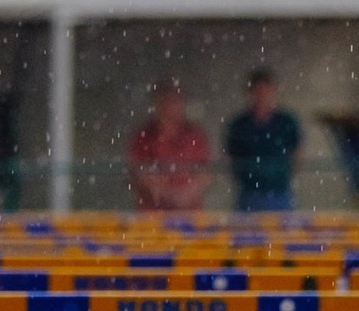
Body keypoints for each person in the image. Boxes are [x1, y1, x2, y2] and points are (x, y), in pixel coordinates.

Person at [127, 78, 212, 216]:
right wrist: (165, 195)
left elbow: (205, 172)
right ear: (156, 104)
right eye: (164, 101)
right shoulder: (143, 137)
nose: (169, 106)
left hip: (189, 216)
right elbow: (137, 171)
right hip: (152, 217)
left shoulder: (195, 136)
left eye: (174, 101)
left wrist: (185, 195)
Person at [225, 67, 302, 214]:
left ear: (273, 92)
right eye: (258, 92)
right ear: (250, 94)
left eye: (266, 92)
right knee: (246, 234)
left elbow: (297, 152)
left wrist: (282, 173)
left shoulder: (286, 122)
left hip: (279, 192)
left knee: (280, 234)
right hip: (249, 193)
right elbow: (231, 157)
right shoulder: (239, 125)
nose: (262, 97)